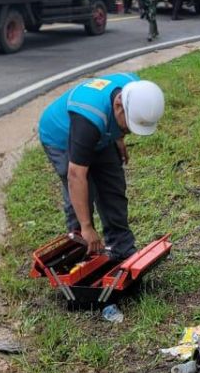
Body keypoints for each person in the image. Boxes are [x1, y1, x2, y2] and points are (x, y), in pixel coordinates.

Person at [37, 73, 166, 260]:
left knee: (113, 188)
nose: (130, 132)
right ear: (118, 106)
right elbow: (76, 175)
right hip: (62, 138)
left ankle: (121, 251)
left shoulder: (135, 88)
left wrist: (119, 136)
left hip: (100, 133)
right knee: (82, 198)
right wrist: (87, 226)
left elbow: (121, 118)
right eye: (128, 127)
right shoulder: (88, 119)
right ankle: (80, 257)